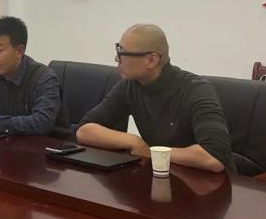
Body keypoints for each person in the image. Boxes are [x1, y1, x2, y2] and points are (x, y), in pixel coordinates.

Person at [75, 23, 233, 173]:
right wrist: (133, 141)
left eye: (122, 54)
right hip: (163, 174)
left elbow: (214, 157)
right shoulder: (131, 85)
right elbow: (84, 131)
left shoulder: (196, 90)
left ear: (151, 60)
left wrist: (152, 152)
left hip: (210, 183)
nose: (117, 59)